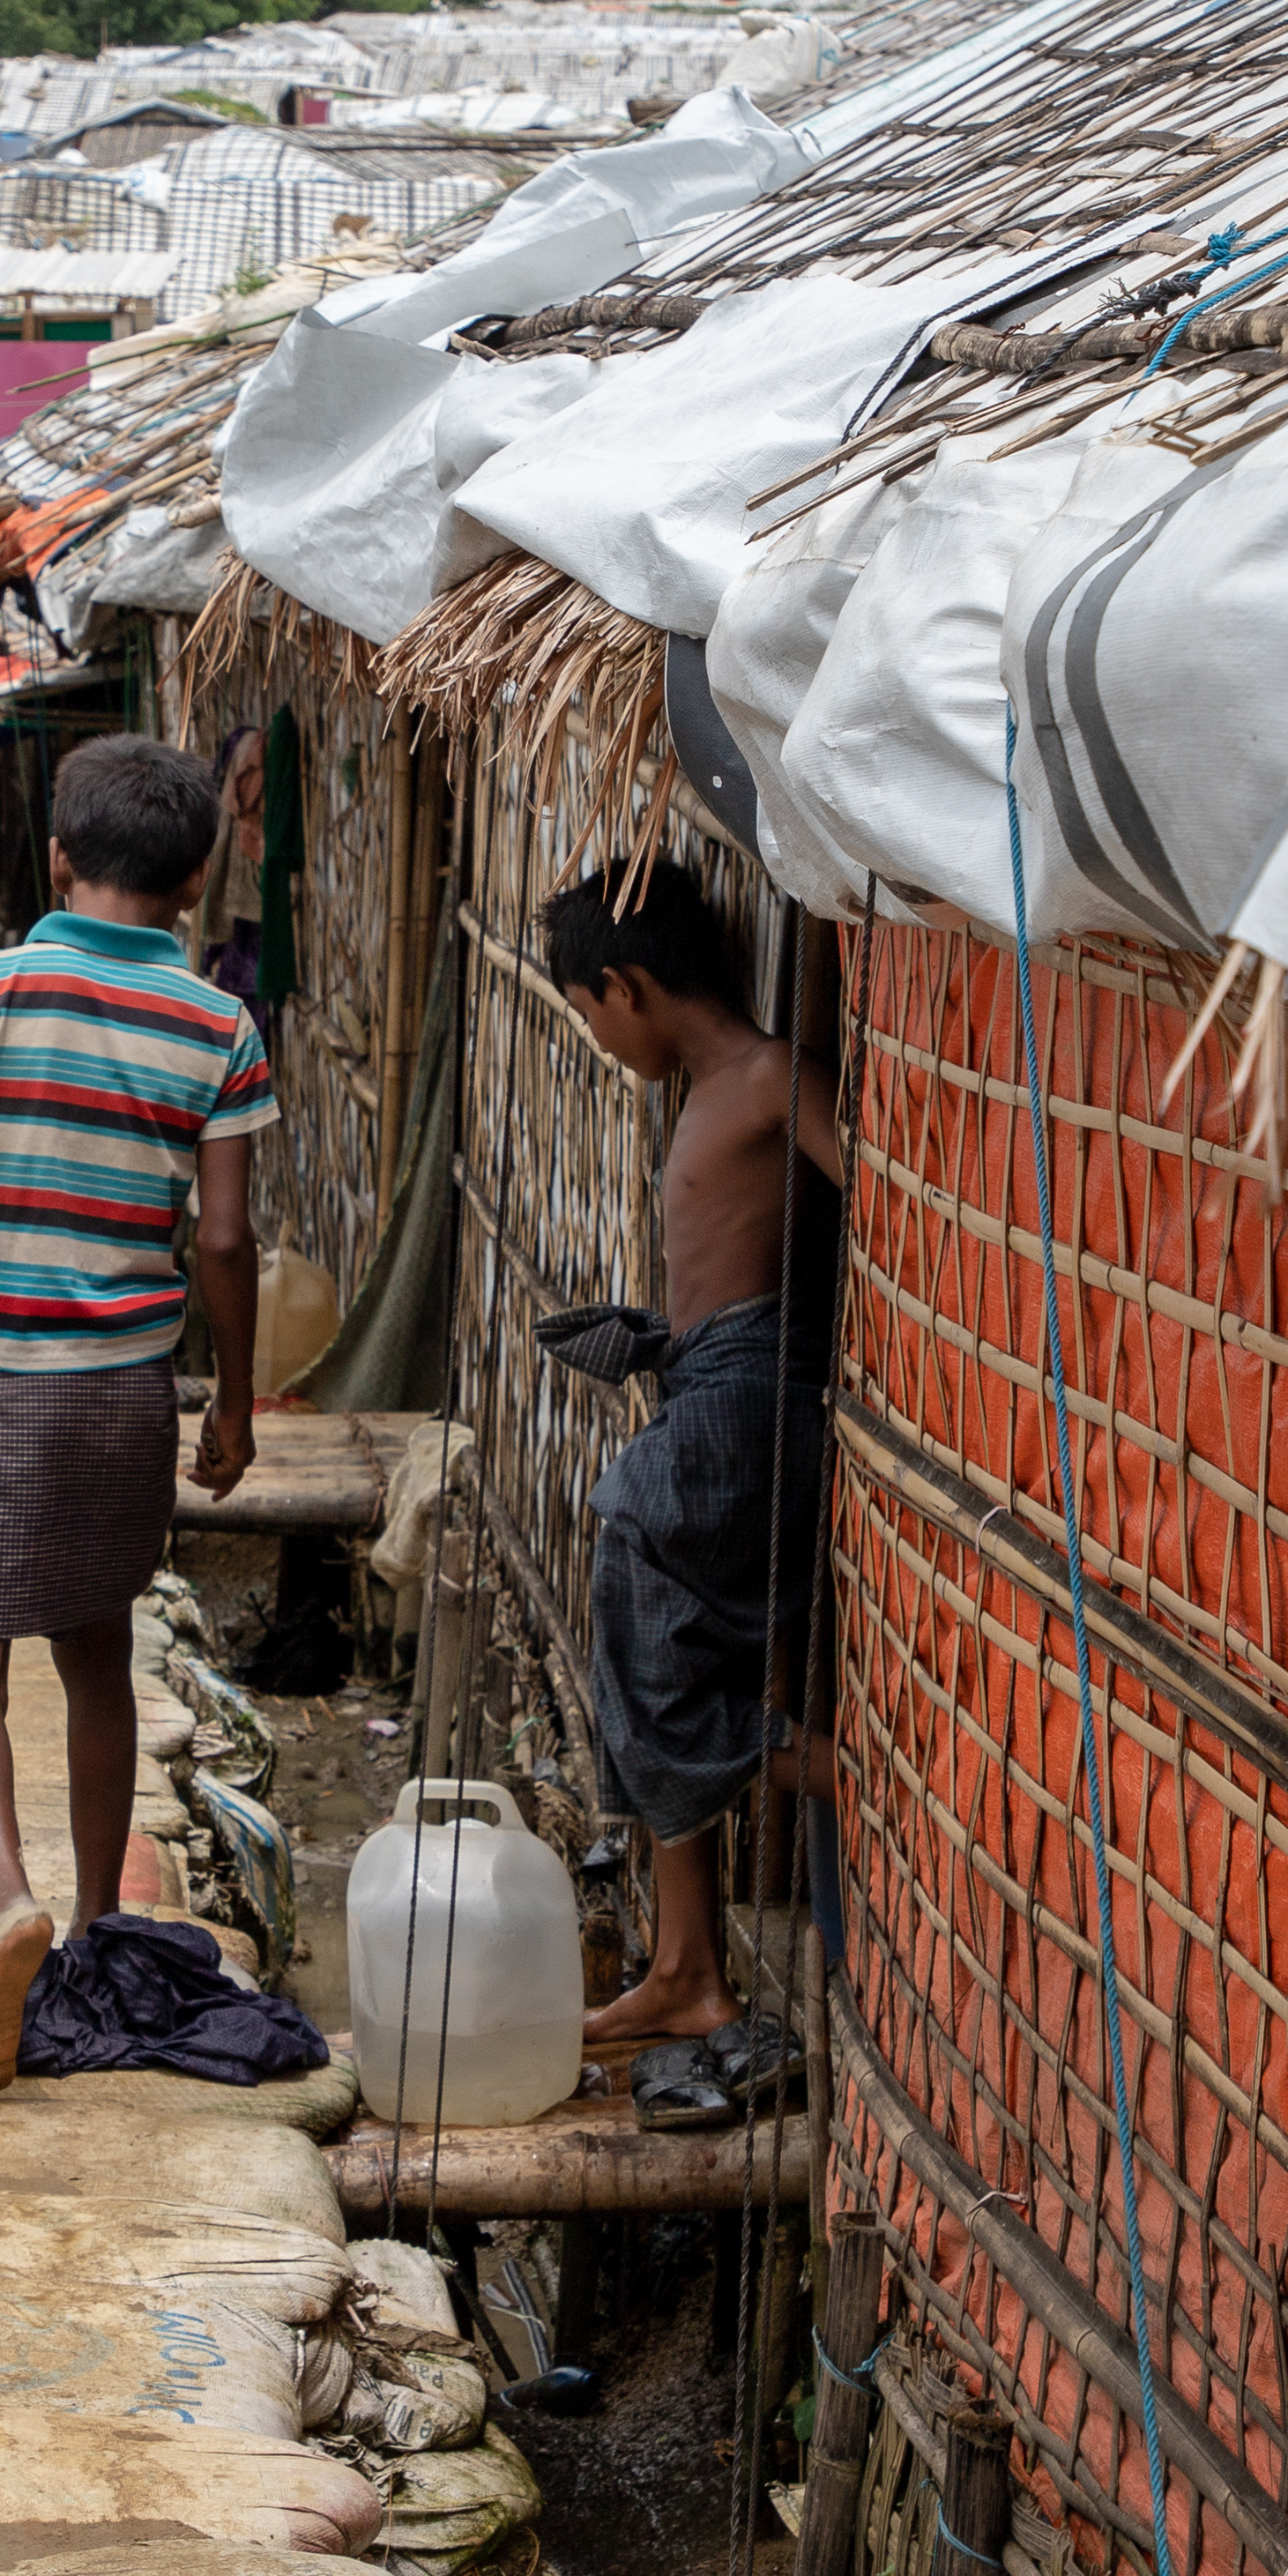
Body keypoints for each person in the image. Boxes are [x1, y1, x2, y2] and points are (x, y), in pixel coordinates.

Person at [0, 731, 272, 2087]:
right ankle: (98, 1922)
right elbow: (224, 1241)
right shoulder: (220, 1023)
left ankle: (7, 1907)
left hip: (12, 1382)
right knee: (97, 1653)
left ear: (55, 857)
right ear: (199, 874)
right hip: (130, 1390)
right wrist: (231, 1402)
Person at [538, 862, 838, 2078]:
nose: (598, 1038)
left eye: (587, 1011)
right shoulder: (711, 1091)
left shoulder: (767, 1078)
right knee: (644, 1636)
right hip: (712, 1375)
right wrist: (653, 1337)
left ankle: (819, 1768)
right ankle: (686, 1968)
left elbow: (881, 1192)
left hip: (757, 1392)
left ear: (628, 984)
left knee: (632, 1540)